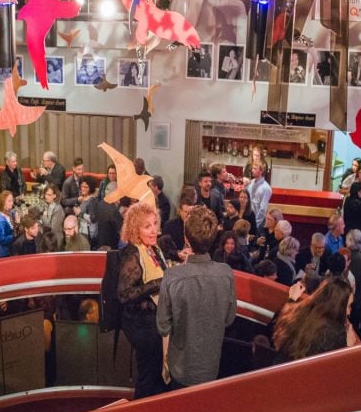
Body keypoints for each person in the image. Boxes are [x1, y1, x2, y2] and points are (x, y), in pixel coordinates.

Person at [157, 207, 237, 389]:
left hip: (181, 368)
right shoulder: (226, 273)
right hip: (211, 366)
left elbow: (163, 326)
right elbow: (229, 318)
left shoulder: (172, 276)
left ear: (186, 238)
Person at [117, 201, 168, 398]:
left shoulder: (154, 249)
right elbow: (124, 294)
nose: (154, 230)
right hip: (141, 325)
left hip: (155, 323)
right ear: (135, 229)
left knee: (155, 375)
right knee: (147, 378)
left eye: (155, 223)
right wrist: (157, 283)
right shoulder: (132, 253)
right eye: (147, 226)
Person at [275, 277, 358, 361]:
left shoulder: (298, 311)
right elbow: (335, 366)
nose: (349, 312)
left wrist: (292, 299)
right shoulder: (337, 332)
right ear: (339, 307)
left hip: (277, 367)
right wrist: (348, 346)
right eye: (348, 306)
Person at [245, 164, 272, 233]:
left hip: (256, 221)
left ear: (261, 171)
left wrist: (256, 223)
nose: (252, 170)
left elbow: (263, 209)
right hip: (247, 217)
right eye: (252, 168)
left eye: (255, 169)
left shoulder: (266, 188)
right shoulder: (251, 183)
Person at [0, 191, 15, 257]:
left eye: (12, 200)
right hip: (5, 253)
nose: (12, 203)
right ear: (3, 203)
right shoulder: (0, 220)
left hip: (12, 249)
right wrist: (15, 236)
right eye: (9, 201)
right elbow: (2, 240)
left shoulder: (10, 212)